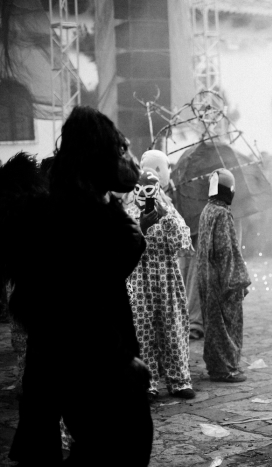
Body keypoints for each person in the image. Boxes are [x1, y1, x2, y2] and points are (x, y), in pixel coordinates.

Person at [6, 106, 152, 466]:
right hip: (89, 365)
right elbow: (76, 300)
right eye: (120, 149)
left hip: (67, 360)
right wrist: (120, 360)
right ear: (98, 154)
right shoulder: (80, 217)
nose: (128, 159)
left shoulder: (76, 206)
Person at [126, 149, 195, 403]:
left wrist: (165, 216)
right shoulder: (128, 210)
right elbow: (126, 242)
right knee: (143, 330)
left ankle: (179, 380)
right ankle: (148, 382)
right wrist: (142, 223)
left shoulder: (169, 208)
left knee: (173, 327)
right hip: (139, 278)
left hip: (166, 276)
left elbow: (182, 241)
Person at [197, 168, 251, 383]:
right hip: (221, 279)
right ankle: (226, 368)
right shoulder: (222, 213)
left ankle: (215, 366)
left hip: (207, 277)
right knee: (226, 325)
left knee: (213, 324)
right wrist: (233, 282)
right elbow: (225, 251)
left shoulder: (207, 210)